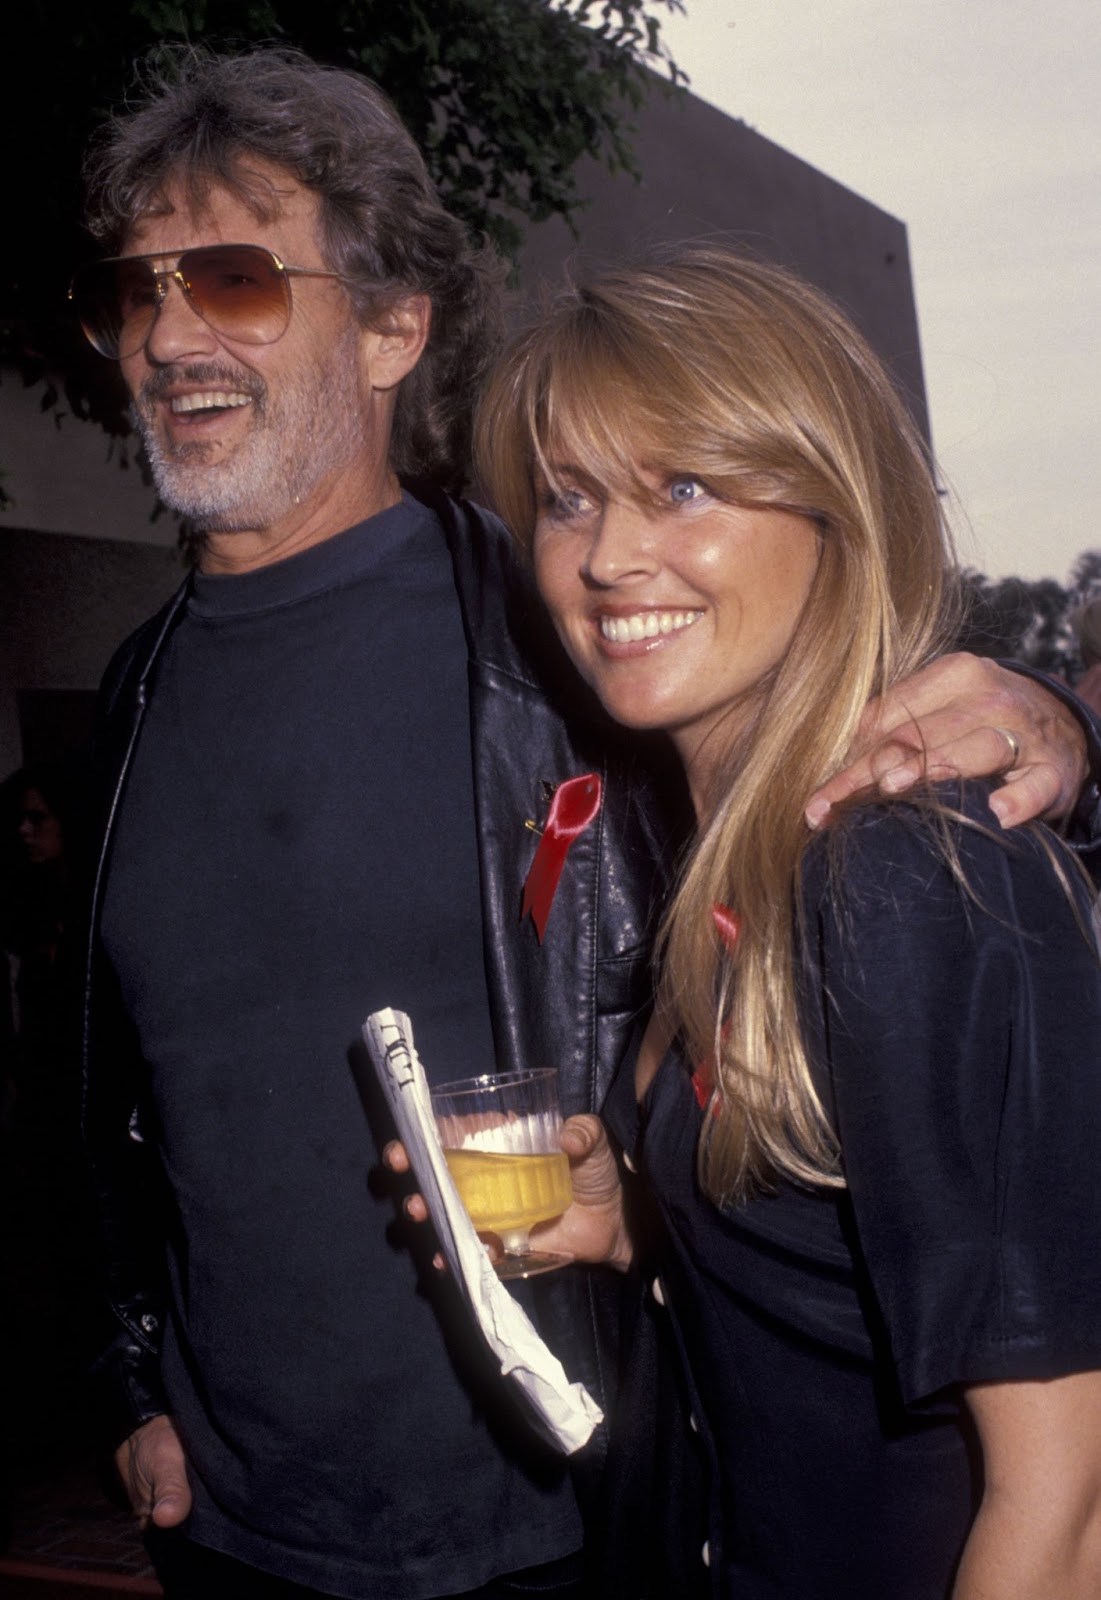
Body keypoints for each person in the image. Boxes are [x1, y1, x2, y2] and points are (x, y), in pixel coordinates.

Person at [72, 46, 1098, 1600]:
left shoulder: (551, 642)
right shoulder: (134, 693)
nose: (168, 335)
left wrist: (1057, 720)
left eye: (231, 278)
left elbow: (825, 733)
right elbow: (112, 1089)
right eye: (134, 292)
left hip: (559, 1525)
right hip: (233, 1525)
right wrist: (135, 1382)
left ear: (395, 327)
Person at [473, 245, 1101, 1598]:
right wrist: (639, 1208)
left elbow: (1064, 1511)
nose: (604, 557)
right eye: (566, 498)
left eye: (681, 486)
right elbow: (851, 1260)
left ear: (836, 506)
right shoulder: (735, 857)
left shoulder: (896, 875)